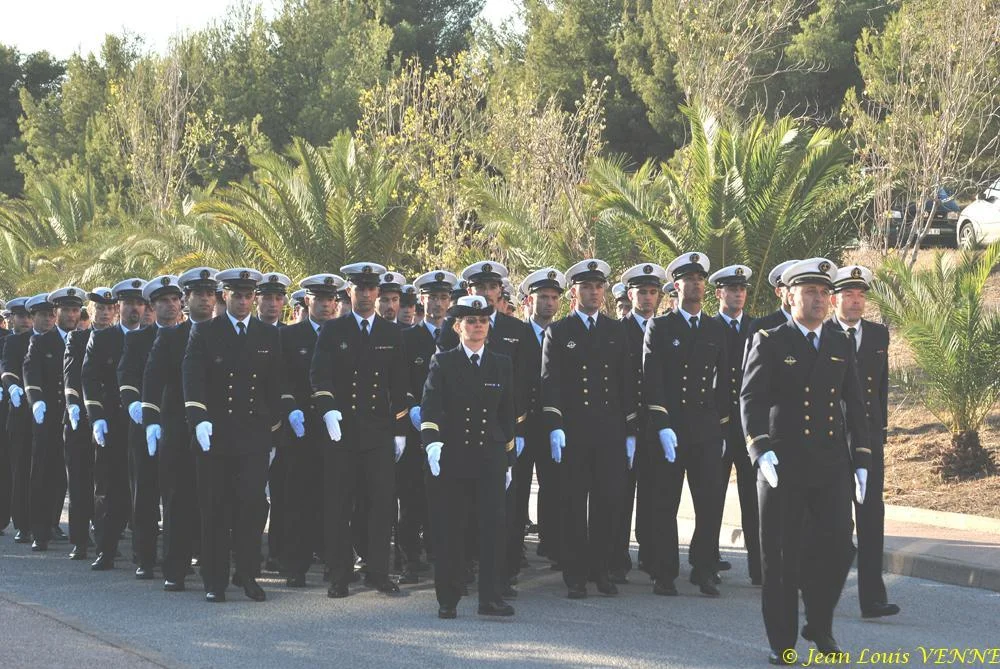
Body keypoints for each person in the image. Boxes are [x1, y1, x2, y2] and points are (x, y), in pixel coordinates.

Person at [742, 257, 870, 663]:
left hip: (830, 463)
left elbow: (856, 404)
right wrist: (760, 450)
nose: (818, 299)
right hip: (783, 465)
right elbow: (751, 399)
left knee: (838, 547)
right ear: (788, 295)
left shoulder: (839, 342)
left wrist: (862, 458)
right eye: (810, 292)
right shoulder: (771, 339)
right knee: (780, 558)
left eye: (822, 293)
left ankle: (819, 622)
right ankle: (783, 643)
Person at [183, 268, 282, 603]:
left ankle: (248, 574)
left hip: (253, 436)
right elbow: (192, 379)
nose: (242, 301)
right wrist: (198, 419)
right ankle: (215, 579)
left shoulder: (268, 335)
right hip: (216, 434)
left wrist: (273, 431)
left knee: (251, 508)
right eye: (236, 295)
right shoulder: (205, 333)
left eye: (247, 295)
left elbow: (274, 388)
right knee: (215, 508)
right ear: (224, 296)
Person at [310, 262, 408, 599]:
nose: (365, 294)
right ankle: (340, 573)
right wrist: (328, 410)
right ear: (348, 293)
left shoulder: (392, 333)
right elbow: (319, 376)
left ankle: (378, 571)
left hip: (378, 432)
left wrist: (399, 428)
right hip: (342, 432)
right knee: (339, 505)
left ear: (378, 293)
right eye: (359, 288)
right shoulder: (333, 331)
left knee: (381, 505)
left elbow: (400, 384)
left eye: (370, 288)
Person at [541, 259, 637, 599]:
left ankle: (601, 569)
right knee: (572, 506)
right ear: (574, 292)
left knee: (607, 503)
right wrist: (554, 425)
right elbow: (550, 383)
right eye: (586, 287)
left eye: (598, 286)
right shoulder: (560, 331)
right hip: (574, 432)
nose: (593, 292)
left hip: (609, 432)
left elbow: (627, 384)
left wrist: (630, 431)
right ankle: (575, 575)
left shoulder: (616, 331)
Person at [420, 295, 516, 619]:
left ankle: (490, 598)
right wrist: (432, 443)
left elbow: (507, 414)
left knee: (492, 529)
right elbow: (431, 407)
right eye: (471, 321)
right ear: (458, 326)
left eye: (483, 321)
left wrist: (509, 459)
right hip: (455, 456)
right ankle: (447, 598)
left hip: (489, 457)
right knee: (451, 529)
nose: (477, 326)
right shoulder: (443, 362)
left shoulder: (501, 362)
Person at [642, 253, 729, 597]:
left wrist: (722, 426)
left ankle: (704, 568)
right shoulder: (660, 327)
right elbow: (653, 378)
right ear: (675, 286)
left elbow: (724, 383)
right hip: (671, 427)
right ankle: (664, 571)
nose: (696, 285)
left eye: (700, 279)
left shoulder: (714, 328)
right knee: (666, 503)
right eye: (689, 279)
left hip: (705, 428)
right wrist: (661, 423)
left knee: (710, 502)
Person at [827, 265, 899, 620]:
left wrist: (880, 431)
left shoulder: (877, 335)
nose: (856, 302)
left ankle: (872, 598)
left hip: (868, 441)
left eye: (860, 295)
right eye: (848, 295)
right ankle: (817, 591)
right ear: (833, 299)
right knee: (834, 525)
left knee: (871, 516)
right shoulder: (820, 333)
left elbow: (880, 388)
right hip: (829, 441)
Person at [142, 267, 218, 592]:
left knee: (215, 500)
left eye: (209, 293)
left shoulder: (227, 335)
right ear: (186, 299)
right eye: (197, 293)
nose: (204, 299)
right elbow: (151, 380)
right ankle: (175, 567)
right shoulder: (171, 336)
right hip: (177, 432)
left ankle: (214, 564)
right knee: (177, 500)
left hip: (218, 432)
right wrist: (150, 422)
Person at [279, 273, 345, 588]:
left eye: (331, 299)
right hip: (301, 428)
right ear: (308, 301)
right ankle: (296, 565)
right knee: (299, 500)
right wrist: (291, 409)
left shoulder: (345, 334)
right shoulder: (291, 337)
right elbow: (282, 379)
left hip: (335, 430)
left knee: (334, 499)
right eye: (320, 299)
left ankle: (335, 565)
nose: (326, 305)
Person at [119, 276, 182, 579]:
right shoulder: (139, 339)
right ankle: (144, 556)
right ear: (152, 306)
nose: (170, 305)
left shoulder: (192, 336)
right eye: (163, 301)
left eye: (174, 300)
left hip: (179, 426)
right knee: (144, 494)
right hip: (144, 426)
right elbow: (127, 376)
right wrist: (135, 404)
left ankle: (177, 556)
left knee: (177, 495)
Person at [398, 270, 458, 584]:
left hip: (449, 429)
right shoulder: (408, 337)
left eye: (443, 297)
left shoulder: (459, 335)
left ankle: (441, 553)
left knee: (447, 496)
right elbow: (400, 378)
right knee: (411, 496)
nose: (437, 303)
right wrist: (411, 407)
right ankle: (410, 559)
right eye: (431, 297)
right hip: (415, 429)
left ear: (451, 301)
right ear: (422, 300)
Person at [85, 279, 146, 570]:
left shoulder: (153, 336)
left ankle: (143, 555)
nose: (134, 309)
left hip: (145, 423)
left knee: (144, 490)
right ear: (118, 306)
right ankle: (106, 550)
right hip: (112, 423)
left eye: (139, 303)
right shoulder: (104, 338)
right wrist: (96, 417)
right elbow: (89, 379)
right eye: (129, 303)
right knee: (110, 489)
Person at [707, 264, 760, 584]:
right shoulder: (709, 327)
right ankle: (709, 561)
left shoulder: (757, 328)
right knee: (712, 498)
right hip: (718, 426)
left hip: (750, 427)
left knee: (753, 501)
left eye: (742, 289)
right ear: (719, 294)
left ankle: (760, 566)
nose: (739, 294)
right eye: (732, 289)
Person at [613, 262, 666, 582]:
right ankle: (617, 558)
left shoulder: (665, 329)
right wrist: (626, 424)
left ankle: (651, 554)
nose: (647, 298)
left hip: (656, 424)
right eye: (641, 292)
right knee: (620, 495)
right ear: (629, 294)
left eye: (652, 292)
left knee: (655, 492)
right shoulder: (618, 331)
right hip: (624, 423)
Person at [23, 287, 84, 550]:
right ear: (55, 312)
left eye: (75, 310)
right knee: (44, 473)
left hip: (78, 418)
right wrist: (35, 401)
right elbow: (30, 372)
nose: (71, 314)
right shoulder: (42, 341)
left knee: (74, 475)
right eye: (66, 310)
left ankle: (73, 527)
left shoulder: (85, 339)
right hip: (49, 418)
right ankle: (40, 530)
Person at [515, 268, 566, 569]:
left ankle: (552, 542)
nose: (548, 303)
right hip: (523, 424)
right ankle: (515, 543)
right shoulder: (516, 334)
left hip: (550, 425)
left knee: (554, 485)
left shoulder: (562, 335)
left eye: (553, 298)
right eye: (542, 297)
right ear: (528, 302)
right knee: (519, 487)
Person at [2, 297, 33, 543]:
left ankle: (37, 520)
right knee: (14, 467)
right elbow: (7, 368)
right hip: (12, 409)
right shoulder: (9, 341)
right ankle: (19, 520)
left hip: (33, 409)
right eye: (20, 316)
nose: (25, 320)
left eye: (27, 315)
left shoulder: (40, 340)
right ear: (11, 317)